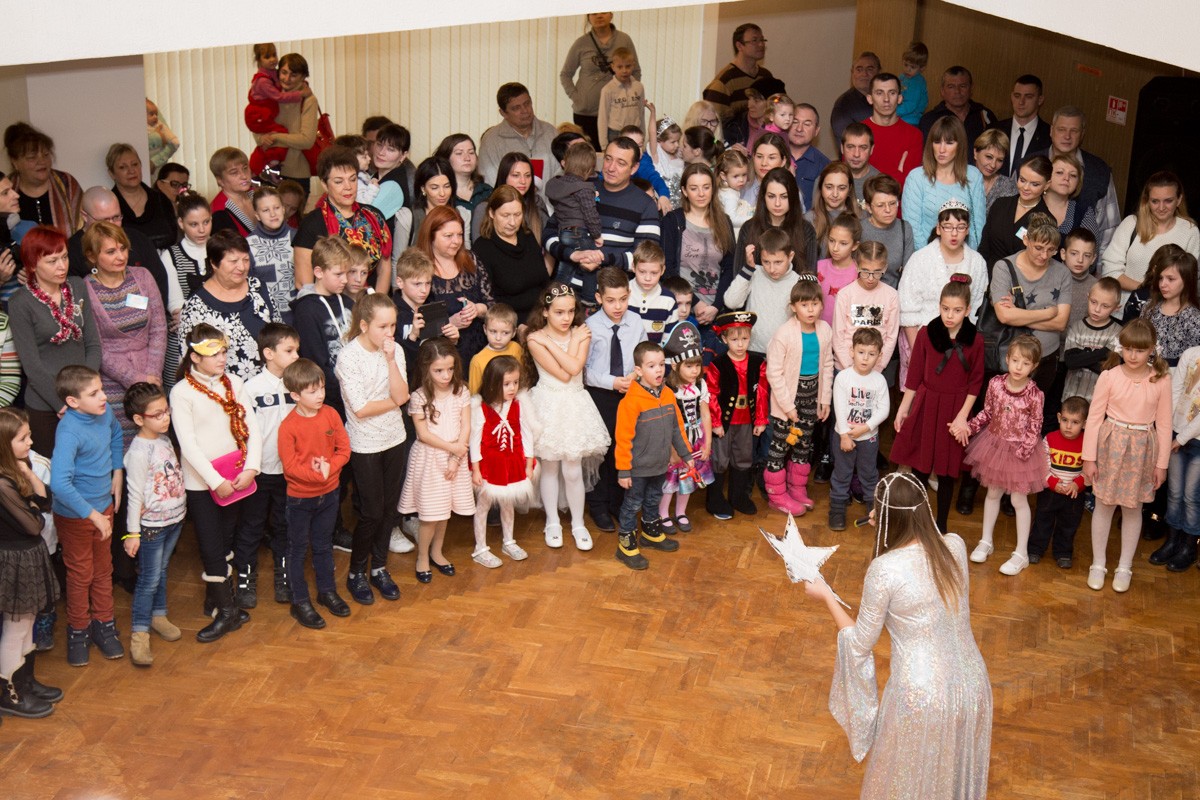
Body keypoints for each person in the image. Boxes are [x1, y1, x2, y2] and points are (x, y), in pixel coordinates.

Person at [804, 471, 992, 799]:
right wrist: (891, 522)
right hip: (974, 685)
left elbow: (859, 644)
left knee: (905, 782)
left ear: (886, 517)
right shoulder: (956, 546)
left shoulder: (885, 570)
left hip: (920, 694)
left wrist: (826, 595)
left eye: (878, 511)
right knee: (946, 778)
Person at [170, 326, 260, 640]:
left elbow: (252, 427)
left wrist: (251, 468)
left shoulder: (234, 382)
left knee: (225, 540)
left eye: (224, 352)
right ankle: (227, 612)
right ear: (194, 357)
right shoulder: (182, 392)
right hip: (202, 484)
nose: (222, 358)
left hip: (235, 478)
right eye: (214, 354)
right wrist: (215, 480)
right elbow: (188, 444)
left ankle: (220, 600)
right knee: (210, 546)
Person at [1082, 319, 1172, 593]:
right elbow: (1094, 418)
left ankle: (1124, 566)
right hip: (1110, 446)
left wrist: (1162, 464)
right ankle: (1098, 563)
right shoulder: (1109, 376)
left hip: (1142, 450)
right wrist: (1089, 458)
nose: (1132, 355)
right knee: (1104, 505)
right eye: (1128, 349)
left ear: (1151, 350)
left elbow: (1164, 425)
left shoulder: (1161, 380)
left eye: (1140, 350)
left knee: (1133, 508)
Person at [891, 275, 984, 533]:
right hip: (927, 404)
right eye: (945, 309)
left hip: (955, 409)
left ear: (968, 310)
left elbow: (976, 382)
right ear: (939, 306)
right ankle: (917, 521)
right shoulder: (926, 333)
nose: (950, 315)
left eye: (957, 310)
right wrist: (904, 409)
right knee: (920, 467)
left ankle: (941, 524)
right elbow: (914, 376)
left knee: (947, 471)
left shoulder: (975, 340)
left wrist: (963, 416)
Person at [523, 282, 609, 547]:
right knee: (549, 468)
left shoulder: (581, 332)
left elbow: (572, 369)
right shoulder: (534, 339)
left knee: (572, 471)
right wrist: (555, 343)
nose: (566, 318)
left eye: (571, 311)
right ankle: (552, 522)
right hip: (548, 404)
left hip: (575, 405)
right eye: (559, 312)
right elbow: (562, 374)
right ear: (545, 311)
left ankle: (578, 523)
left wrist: (552, 345)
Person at [336, 295, 409, 602]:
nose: (389, 332)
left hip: (395, 438)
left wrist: (390, 360)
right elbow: (361, 409)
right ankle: (356, 572)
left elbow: (402, 395)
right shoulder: (348, 357)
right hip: (365, 444)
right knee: (371, 512)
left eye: (393, 325)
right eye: (383, 326)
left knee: (389, 509)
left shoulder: (395, 351)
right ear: (364, 326)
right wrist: (393, 401)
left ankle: (379, 568)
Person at [50, 365, 125, 665]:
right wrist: (92, 515)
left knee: (103, 569)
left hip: (102, 509)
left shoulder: (104, 413)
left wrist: (117, 470)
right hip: (76, 516)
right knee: (81, 574)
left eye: (101, 389)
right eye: (94, 393)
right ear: (72, 401)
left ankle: (104, 624)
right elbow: (59, 484)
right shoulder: (69, 431)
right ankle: (78, 630)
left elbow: (116, 433)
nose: (104, 397)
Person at [959, 335, 1048, 574]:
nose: (1019, 367)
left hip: (1021, 452)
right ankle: (986, 541)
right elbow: (987, 413)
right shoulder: (996, 384)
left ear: (1034, 366)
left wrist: (1023, 452)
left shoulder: (1035, 395)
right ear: (1007, 359)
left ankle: (1021, 553)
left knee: (1019, 500)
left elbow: (1035, 426)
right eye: (1015, 360)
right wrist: (970, 427)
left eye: (1026, 363)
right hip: (995, 447)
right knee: (992, 493)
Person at [10, 227, 101, 453]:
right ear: (32, 265)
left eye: (64, 257)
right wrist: (63, 403)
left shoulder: (77, 286)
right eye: (52, 261)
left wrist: (85, 391)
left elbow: (93, 344)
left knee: (92, 463)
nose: (62, 266)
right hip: (46, 404)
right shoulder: (20, 302)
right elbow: (32, 366)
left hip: (84, 397)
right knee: (53, 468)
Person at [278, 358, 351, 628]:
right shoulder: (288, 427)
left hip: (329, 495)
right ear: (295, 395)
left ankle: (326, 591)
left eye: (321, 388)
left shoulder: (330, 414)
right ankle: (300, 600)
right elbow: (290, 467)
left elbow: (344, 450)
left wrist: (329, 469)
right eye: (312, 391)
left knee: (323, 545)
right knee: (298, 549)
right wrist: (318, 475)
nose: (320, 394)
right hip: (300, 499)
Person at [80, 222, 167, 448]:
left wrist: (152, 374)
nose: (120, 256)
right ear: (92, 256)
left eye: (123, 248)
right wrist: (134, 378)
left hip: (151, 373)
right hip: (112, 382)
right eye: (111, 251)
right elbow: (96, 345)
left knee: (156, 442)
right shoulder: (86, 289)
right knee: (123, 446)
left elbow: (158, 327)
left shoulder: (143, 276)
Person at [545, 137, 660, 302]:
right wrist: (573, 255)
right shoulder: (582, 189)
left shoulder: (645, 204)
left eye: (621, 163)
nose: (611, 168)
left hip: (615, 301)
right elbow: (548, 234)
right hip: (568, 298)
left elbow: (645, 258)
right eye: (608, 159)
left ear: (634, 168)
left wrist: (601, 258)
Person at [0, 407, 61, 716]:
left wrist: (28, 473)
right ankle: (11, 694)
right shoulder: (2, 484)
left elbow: (45, 501)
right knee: (16, 628)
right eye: (23, 438)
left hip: (28, 555)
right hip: (14, 560)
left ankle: (26, 683)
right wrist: (35, 510)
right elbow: (34, 525)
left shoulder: (16, 471)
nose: (30, 442)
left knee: (27, 624)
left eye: (29, 435)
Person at [121, 383, 186, 666]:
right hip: (152, 527)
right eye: (157, 414)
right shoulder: (139, 452)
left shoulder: (164, 439)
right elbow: (134, 494)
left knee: (162, 571)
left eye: (166, 411)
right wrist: (132, 533)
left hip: (175, 519)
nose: (165, 418)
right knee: (148, 580)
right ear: (139, 419)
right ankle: (139, 634)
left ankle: (159, 615)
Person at [613, 341, 693, 570]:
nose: (659, 370)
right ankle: (626, 546)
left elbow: (677, 428)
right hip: (637, 469)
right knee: (632, 505)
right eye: (651, 366)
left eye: (661, 364)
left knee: (653, 499)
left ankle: (651, 534)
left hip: (660, 465)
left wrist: (686, 454)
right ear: (638, 370)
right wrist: (624, 470)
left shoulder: (667, 394)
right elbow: (623, 439)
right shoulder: (630, 402)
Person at [581, 267, 646, 535]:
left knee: (623, 447)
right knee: (600, 450)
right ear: (599, 298)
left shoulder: (636, 322)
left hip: (629, 394)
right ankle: (598, 504)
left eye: (622, 299)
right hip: (600, 395)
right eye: (610, 300)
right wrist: (612, 382)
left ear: (629, 295)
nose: (617, 306)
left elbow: (643, 355)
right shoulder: (590, 327)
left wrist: (635, 375)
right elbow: (584, 370)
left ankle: (618, 502)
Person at [241, 323, 299, 606]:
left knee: (284, 525)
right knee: (251, 527)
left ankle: (284, 576)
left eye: (297, 350)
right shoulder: (250, 389)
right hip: (259, 472)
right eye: (289, 350)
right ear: (268, 353)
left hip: (288, 472)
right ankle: (245, 579)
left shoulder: (297, 385)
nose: (296, 356)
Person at [897, 201, 987, 385]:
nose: (954, 233)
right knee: (920, 393)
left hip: (960, 343)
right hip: (920, 338)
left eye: (960, 227)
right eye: (948, 226)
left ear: (967, 230)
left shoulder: (977, 262)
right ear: (938, 229)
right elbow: (908, 310)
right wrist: (918, 352)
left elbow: (976, 307)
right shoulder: (920, 259)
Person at [764, 276, 832, 515]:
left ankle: (797, 488)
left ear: (821, 304)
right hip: (787, 402)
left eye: (814, 304)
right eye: (804, 305)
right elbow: (774, 373)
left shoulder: (825, 330)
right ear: (793, 307)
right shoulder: (784, 334)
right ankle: (776, 494)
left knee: (804, 444)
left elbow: (827, 365)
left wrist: (824, 400)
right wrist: (787, 406)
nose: (810, 310)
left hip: (811, 398)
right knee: (781, 445)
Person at [179, 230, 280, 381]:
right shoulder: (196, 306)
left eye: (246, 260)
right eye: (233, 261)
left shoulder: (258, 288)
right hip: (222, 389)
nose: (242, 267)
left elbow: (281, 336)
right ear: (214, 263)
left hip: (268, 386)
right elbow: (189, 362)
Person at [989, 214, 1072, 398]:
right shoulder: (1004, 267)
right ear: (1026, 240)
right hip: (1011, 361)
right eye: (1039, 248)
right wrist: (1048, 313)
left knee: (1036, 411)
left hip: (1046, 359)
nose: (1044, 256)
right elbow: (1004, 316)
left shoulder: (1062, 273)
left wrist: (1018, 315)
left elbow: (1060, 323)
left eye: (1051, 250)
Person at [294, 147, 392, 293]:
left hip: (370, 299)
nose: (348, 187)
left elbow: (384, 267)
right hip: (329, 302)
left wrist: (376, 302)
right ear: (324, 184)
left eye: (353, 179)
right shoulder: (312, 223)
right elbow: (303, 283)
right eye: (339, 182)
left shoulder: (373, 216)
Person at [468, 355, 535, 569]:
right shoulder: (481, 407)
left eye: (515, 382)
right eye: (507, 384)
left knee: (508, 503)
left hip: (512, 462)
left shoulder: (519, 405)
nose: (512, 388)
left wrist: (528, 463)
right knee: (483, 505)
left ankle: (509, 541)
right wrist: (476, 469)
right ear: (492, 382)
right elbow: (474, 439)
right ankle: (480, 548)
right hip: (490, 464)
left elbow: (527, 434)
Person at [703, 311, 767, 518]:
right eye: (734, 340)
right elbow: (711, 394)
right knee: (720, 459)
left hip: (747, 420)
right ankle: (714, 499)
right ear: (724, 339)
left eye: (744, 339)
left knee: (744, 458)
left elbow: (762, 391)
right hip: (724, 422)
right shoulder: (718, 364)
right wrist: (715, 422)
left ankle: (738, 496)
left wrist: (761, 419)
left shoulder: (758, 362)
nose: (740, 344)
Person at [1030, 106, 1120, 252]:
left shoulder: (1100, 171)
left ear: (1082, 134)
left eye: (1074, 131)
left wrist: (1095, 265)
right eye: (1061, 129)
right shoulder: (1030, 163)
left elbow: (1109, 229)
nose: (1067, 136)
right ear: (1051, 131)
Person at [1102, 171, 1199, 306]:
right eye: (1155, 201)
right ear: (1147, 201)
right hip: (1125, 309)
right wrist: (1145, 290)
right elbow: (1110, 269)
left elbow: (1192, 279)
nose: (1161, 207)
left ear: (1179, 200)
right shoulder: (1131, 223)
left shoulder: (1189, 231)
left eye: (1168, 201)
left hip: (1168, 312)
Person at [67, 187, 171, 309]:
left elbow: (159, 285)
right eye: (104, 220)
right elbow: (77, 303)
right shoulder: (72, 251)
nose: (112, 225)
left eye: (116, 217)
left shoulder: (138, 239)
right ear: (85, 216)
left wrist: (142, 312)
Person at [828, 327, 888, 530]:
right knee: (842, 472)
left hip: (868, 438)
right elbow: (839, 408)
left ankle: (874, 509)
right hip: (844, 436)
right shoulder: (843, 378)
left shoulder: (879, 380)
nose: (865, 358)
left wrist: (865, 428)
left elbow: (884, 410)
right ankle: (837, 508)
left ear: (879, 356)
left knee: (869, 473)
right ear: (851, 351)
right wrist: (845, 435)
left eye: (871, 354)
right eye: (861, 352)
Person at [662, 163, 736, 325]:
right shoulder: (673, 221)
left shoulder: (724, 222)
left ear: (713, 189)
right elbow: (667, 268)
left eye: (706, 187)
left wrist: (716, 306)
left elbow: (730, 268)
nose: (701, 194)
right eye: (694, 188)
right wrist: (695, 303)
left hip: (716, 310)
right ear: (684, 191)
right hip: (682, 309)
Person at [420, 205, 493, 362]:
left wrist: (477, 309)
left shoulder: (471, 259)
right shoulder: (420, 268)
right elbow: (416, 323)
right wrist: (449, 323)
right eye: (448, 236)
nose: (456, 241)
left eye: (459, 235)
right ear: (431, 236)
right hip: (443, 356)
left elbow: (492, 305)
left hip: (480, 350)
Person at [657, 322, 711, 535]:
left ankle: (681, 512)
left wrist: (708, 443)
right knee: (670, 479)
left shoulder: (700, 385)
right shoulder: (668, 389)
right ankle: (663, 513)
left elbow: (705, 414)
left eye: (697, 365)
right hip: (675, 440)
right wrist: (672, 450)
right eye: (689, 366)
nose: (695, 370)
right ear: (675, 366)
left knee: (689, 475)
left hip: (696, 438)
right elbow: (666, 423)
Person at [1150, 345, 1200, 570]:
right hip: (1175, 434)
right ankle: (1172, 542)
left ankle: (1188, 547)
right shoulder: (1191, 354)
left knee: (1191, 496)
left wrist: (1180, 439)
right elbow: (1175, 393)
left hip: (1194, 441)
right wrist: (1167, 429)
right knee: (1174, 493)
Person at [292, 236, 354, 417]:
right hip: (330, 400)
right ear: (319, 272)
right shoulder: (306, 310)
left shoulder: (349, 303)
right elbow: (315, 361)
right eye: (338, 274)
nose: (345, 280)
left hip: (356, 392)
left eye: (347, 273)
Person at [903, 116, 986, 249]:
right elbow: (913, 230)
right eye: (937, 142)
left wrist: (965, 257)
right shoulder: (916, 178)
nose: (941, 149)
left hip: (964, 256)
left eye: (949, 143)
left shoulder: (973, 176)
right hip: (925, 255)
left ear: (960, 145)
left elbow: (978, 227)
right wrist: (935, 257)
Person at [559, 13, 640, 149]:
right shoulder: (581, 43)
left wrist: (628, 96)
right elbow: (565, 74)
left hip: (617, 114)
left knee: (619, 153)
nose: (599, 16)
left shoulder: (624, 40)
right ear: (588, 17)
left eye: (603, 11)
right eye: (594, 13)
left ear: (611, 14)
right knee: (589, 154)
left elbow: (635, 71)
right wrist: (577, 98)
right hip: (587, 114)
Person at [1028, 395, 1088, 569]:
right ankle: (1035, 549)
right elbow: (1042, 465)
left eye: (1075, 422)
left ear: (1084, 423)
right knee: (1042, 520)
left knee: (1069, 524)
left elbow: (1089, 469)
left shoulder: (1087, 443)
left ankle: (1063, 552)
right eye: (1065, 420)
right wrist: (1053, 483)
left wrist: (1077, 484)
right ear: (1059, 417)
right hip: (1050, 490)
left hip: (1074, 493)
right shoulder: (1050, 439)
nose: (1068, 426)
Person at [159, 193, 212, 385]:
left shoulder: (220, 250)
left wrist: (189, 314)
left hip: (217, 340)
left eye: (206, 222)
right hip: (181, 340)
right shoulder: (170, 255)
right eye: (194, 224)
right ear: (181, 223)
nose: (202, 229)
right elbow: (175, 305)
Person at [724, 226, 800, 354]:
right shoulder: (755, 273)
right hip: (752, 350)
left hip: (784, 353)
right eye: (766, 262)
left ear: (790, 256)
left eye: (778, 262)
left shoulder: (797, 282)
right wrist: (748, 269)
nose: (771, 269)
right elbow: (731, 302)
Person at [3, 123, 83, 236]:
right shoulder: (6, 190)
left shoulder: (66, 183)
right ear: (15, 162)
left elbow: (84, 229)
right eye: (32, 157)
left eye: (46, 155)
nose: (42, 161)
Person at [478, 83, 561, 191]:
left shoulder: (550, 132)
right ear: (503, 113)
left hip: (549, 201)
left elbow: (562, 172)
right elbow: (491, 184)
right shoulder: (491, 141)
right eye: (516, 108)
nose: (525, 111)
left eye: (527, 104)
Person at [734, 168, 817, 275]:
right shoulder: (748, 228)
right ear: (763, 197)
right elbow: (738, 276)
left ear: (793, 197)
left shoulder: (806, 230)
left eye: (784, 196)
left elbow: (810, 278)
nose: (777, 203)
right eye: (771, 196)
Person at [832, 241, 899, 372]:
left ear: (885, 268)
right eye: (865, 271)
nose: (870, 278)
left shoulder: (892, 296)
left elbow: (891, 336)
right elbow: (838, 336)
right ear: (857, 266)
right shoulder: (845, 295)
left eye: (877, 272)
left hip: (876, 369)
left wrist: (877, 367)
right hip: (845, 368)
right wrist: (851, 368)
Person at [243, 43, 308, 173]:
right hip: (258, 115)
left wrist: (302, 87)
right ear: (259, 59)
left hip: (264, 115)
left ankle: (265, 167)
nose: (273, 59)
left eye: (274, 55)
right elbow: (278, 96)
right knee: (276, 134)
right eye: (267, 57)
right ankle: (265, 167)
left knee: (275, 135)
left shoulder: (272, 73)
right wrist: (300, 94)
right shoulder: (263, 81)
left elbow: (306, 140)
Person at [977, 155, 1051, 268]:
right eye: (1022, 180)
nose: (1026, 187)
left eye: (1034, 184)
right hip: (987, 271)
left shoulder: (1047, 221)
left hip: (1018, 277)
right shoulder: (1001, 204)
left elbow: (1038, 263)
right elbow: (984, 247)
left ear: (1047, 185)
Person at [703, 24, 783, 126]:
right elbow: (711, 123)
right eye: (754, 40)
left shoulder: (766, 76)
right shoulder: (725, 80)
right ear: (739, 46)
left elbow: (778, 108)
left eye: (762, 40)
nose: (761, 44)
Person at [1137, 245, 1200, 367]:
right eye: (1161, 278)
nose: (1163, 284)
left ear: (1187, 280)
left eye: (1171, 279)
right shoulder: (1149, 307)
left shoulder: (1194, 319)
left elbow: (1192, 364)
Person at [106, 143, 177, 250]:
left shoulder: (161, 199)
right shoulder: (108, 207)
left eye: (135, 164)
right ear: (112, 174)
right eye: (123, 167)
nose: (131, 171)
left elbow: (174, 237)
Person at [1062, 277, 1121, 402]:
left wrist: (1082, 355)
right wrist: (1104, 352)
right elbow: (1071, 362)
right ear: (1087, 297)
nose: (1097, 309)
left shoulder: (1119, 332)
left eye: (1105, 306)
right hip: (1072, 396)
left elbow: (1110, 369)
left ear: (1116, 308)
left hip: (1102, 399)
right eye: (1093, 302)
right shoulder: (1076, 327)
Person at [918, 67, 997, 156]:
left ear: (971, 89)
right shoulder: (929, 120)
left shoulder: (984, 116)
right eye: (951, 87)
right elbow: (925, 156)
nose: (957, 91)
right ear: (942, 91)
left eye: (963, 86)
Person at [472, 152, 549, 244]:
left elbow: (548, 238)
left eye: (527, 175)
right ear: (504, 177)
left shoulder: (536, 202)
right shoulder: (484, 207)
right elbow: (478, 246)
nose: (523, 181)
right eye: (516, 175)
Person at [862, 74, 924, 189]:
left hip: (900, 200)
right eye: (879, 93)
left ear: (899, 98)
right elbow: (851, 179)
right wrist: (897, 177)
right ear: (870, 99)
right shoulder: (856, 133)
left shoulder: (914, 135)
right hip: (862, 199)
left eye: (892, 93)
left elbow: (910, 183)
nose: (886, 99)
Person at [246, 186, 297, 321]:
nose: (273, 214)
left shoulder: (298, 238)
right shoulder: (247, 245)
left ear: (283, 209)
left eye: (276, 208)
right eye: (266, 210)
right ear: (257, 215)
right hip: (265, 320)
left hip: (297, 317)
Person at [545, 140, 604, 252]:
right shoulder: (584, 188)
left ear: (565, 163)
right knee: (591, 259)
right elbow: (590, 214)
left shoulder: (555, 184)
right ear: (589, 169)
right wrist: (597, 235)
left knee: (568, 260)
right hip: (579, 233)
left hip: (562, 233)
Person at [990, 75, 1051, 178]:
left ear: (1040, 100)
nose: (1021, 102)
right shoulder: (994, 129)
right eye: (1017, 96)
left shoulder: (1049, 135)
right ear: (1011, 97)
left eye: (1028, 97)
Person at [860, 176, 913, 289]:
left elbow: (908, 273)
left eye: (892, 203)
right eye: (880, 205)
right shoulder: (859, 229)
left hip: (895, 292)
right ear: (869, 207)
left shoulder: (904, 228)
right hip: (863, 292)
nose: (888, 210)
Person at [627, 242, 677, 344]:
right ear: (633, 267)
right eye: (642, 272)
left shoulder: (669, 300)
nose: (647, 278)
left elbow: (669, 341)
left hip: (656, 353)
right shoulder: (622, 293)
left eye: (654, 273)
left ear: (662, 270)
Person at [434, 134, 492, 220]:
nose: (467, 158)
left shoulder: (487, 191)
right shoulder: (441, 194)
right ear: (446, 158)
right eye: (459, 153)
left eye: (471, 152)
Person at [468, 304, 523, 394]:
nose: (498, 338)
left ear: (514, 332)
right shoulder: (477, 360)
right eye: (493, 331)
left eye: (505, 333)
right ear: (485, 329)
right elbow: (475, 394)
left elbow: (522, 378)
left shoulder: (516, 348)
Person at [596, 48, 645, 149]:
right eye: (620, 67)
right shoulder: (608, 89)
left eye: (628, 66)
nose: (624, 70)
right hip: (615, 134)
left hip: (634, 133)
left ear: (633, 65)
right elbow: (603, 118)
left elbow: (641, 113)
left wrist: (642, 137)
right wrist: (604, 145)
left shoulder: (638, 87)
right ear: (613, 67)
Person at [807, 164, 855, 261]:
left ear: (849, 189)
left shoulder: (861, 218)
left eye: (841, 188)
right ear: (820, 187)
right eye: (829, 187)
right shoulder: (808, 219)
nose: (835, 194)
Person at [785, 104, 829, 211]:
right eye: (795, 122)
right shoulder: (773, 156)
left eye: (807, 124)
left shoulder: (825, 166)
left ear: (816, 131)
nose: (799, 129)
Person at [829, 52, 880, 140]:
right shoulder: (843, 105)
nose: (864, 74)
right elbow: (848, 143)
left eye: (869, 69)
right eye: (859, 70)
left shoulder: (886, 101)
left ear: (879, 72)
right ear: (852, 73)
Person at [208, 147, 257, 237]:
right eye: (234, 172)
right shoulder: (218, 212)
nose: (244, 176)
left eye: (245, 168)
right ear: (220, 180)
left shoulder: (258, 195)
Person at [369, 123, 414, 219]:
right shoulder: (374, 176)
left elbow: (364, 219)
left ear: (403, 155)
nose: (381, 153)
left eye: (390, 149)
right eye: (379, 145)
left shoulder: (393, 186)